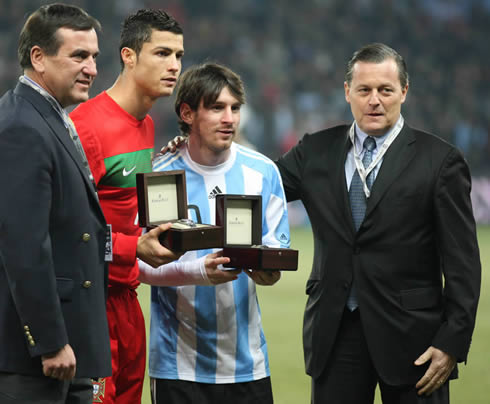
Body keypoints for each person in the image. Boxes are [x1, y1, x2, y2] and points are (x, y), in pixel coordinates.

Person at [275, 43, 481, 403]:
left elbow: (463, 263)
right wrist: (199, 149)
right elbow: (258, 185)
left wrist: (452, 341)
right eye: (364, 90)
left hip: (414, 340)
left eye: (385, 90)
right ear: (346, 92)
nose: (374, 100)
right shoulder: (315, 151)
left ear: (404, 91)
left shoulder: (440, 161)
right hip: (335, 335)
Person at [138, 62, 290, 404]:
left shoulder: (263, 172)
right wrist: (196, 272)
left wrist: (267, 272)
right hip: (177, 368)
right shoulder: (159, 175)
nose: (230, 119)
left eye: (235, 108)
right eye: (217, 107)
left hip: (248, 366)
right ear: (188, 113)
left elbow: (273, 262)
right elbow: (138, 265)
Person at [70, 9, 184, 404]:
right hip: (91, 303)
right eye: (163, 53)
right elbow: (67, 230)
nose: (174, 66)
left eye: (179, 56)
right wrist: (132, 247)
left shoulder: (148, 125)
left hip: (128, 299)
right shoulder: (85, 127)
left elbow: (124, 209)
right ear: (129, 56)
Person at [0, 4, 111, 403]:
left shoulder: (46, 116)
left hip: (67, 343)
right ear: (38, 58)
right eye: (79, 55)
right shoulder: (20, 127)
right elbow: (24, 246)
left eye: (95, 57)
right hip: (37, 358)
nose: (92, 68)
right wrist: (48, 341)